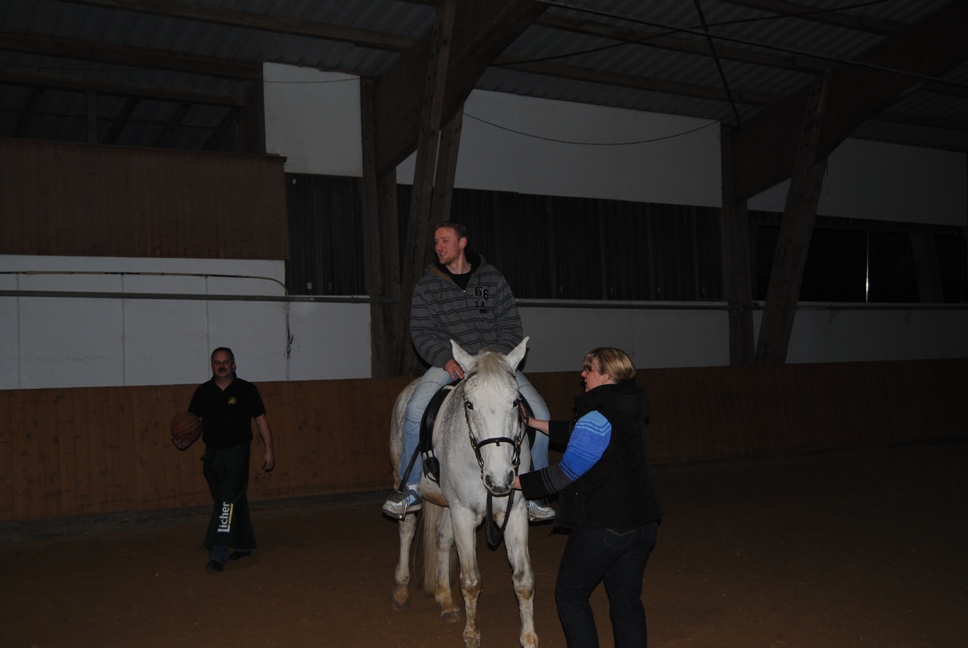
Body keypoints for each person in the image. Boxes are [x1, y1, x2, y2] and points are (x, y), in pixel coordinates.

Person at [382, 220, 554, 521]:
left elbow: (511, 326)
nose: (439, 247)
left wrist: (494, 361)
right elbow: (421, 332)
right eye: (436, 242)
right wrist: (445, 357)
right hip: (451, 362)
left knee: (541, 413)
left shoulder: (492, 279)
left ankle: (533, 494)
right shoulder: (426, 286)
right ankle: (409, 488)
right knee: (414, 410)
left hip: (494, 365)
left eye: (445, 241)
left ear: (462, 243)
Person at [514, 347, 662, 648]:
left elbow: (564, 473)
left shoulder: (597, 416)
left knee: (570, 594)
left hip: (606, 526)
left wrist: (514, 482)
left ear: (606, 375)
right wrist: (533, 423)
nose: (582, 374)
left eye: (589, 368)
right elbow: (580, 433)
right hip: (642, 524)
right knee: (626, 600)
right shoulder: (626, 404)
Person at [188, 347, 275, 573]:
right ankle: (243, 543)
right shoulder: (203, 392)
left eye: (226, 361)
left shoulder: (247, 390)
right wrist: (182, 441)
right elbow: (192, 424)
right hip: (212, 454)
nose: (222, 365)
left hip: (237, 453)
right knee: (230, 500)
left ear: (234, 365)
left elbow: (261, 421)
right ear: (212, 366)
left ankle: (218, 549)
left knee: (226, 501)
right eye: (217, 362)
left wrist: (269, 450)